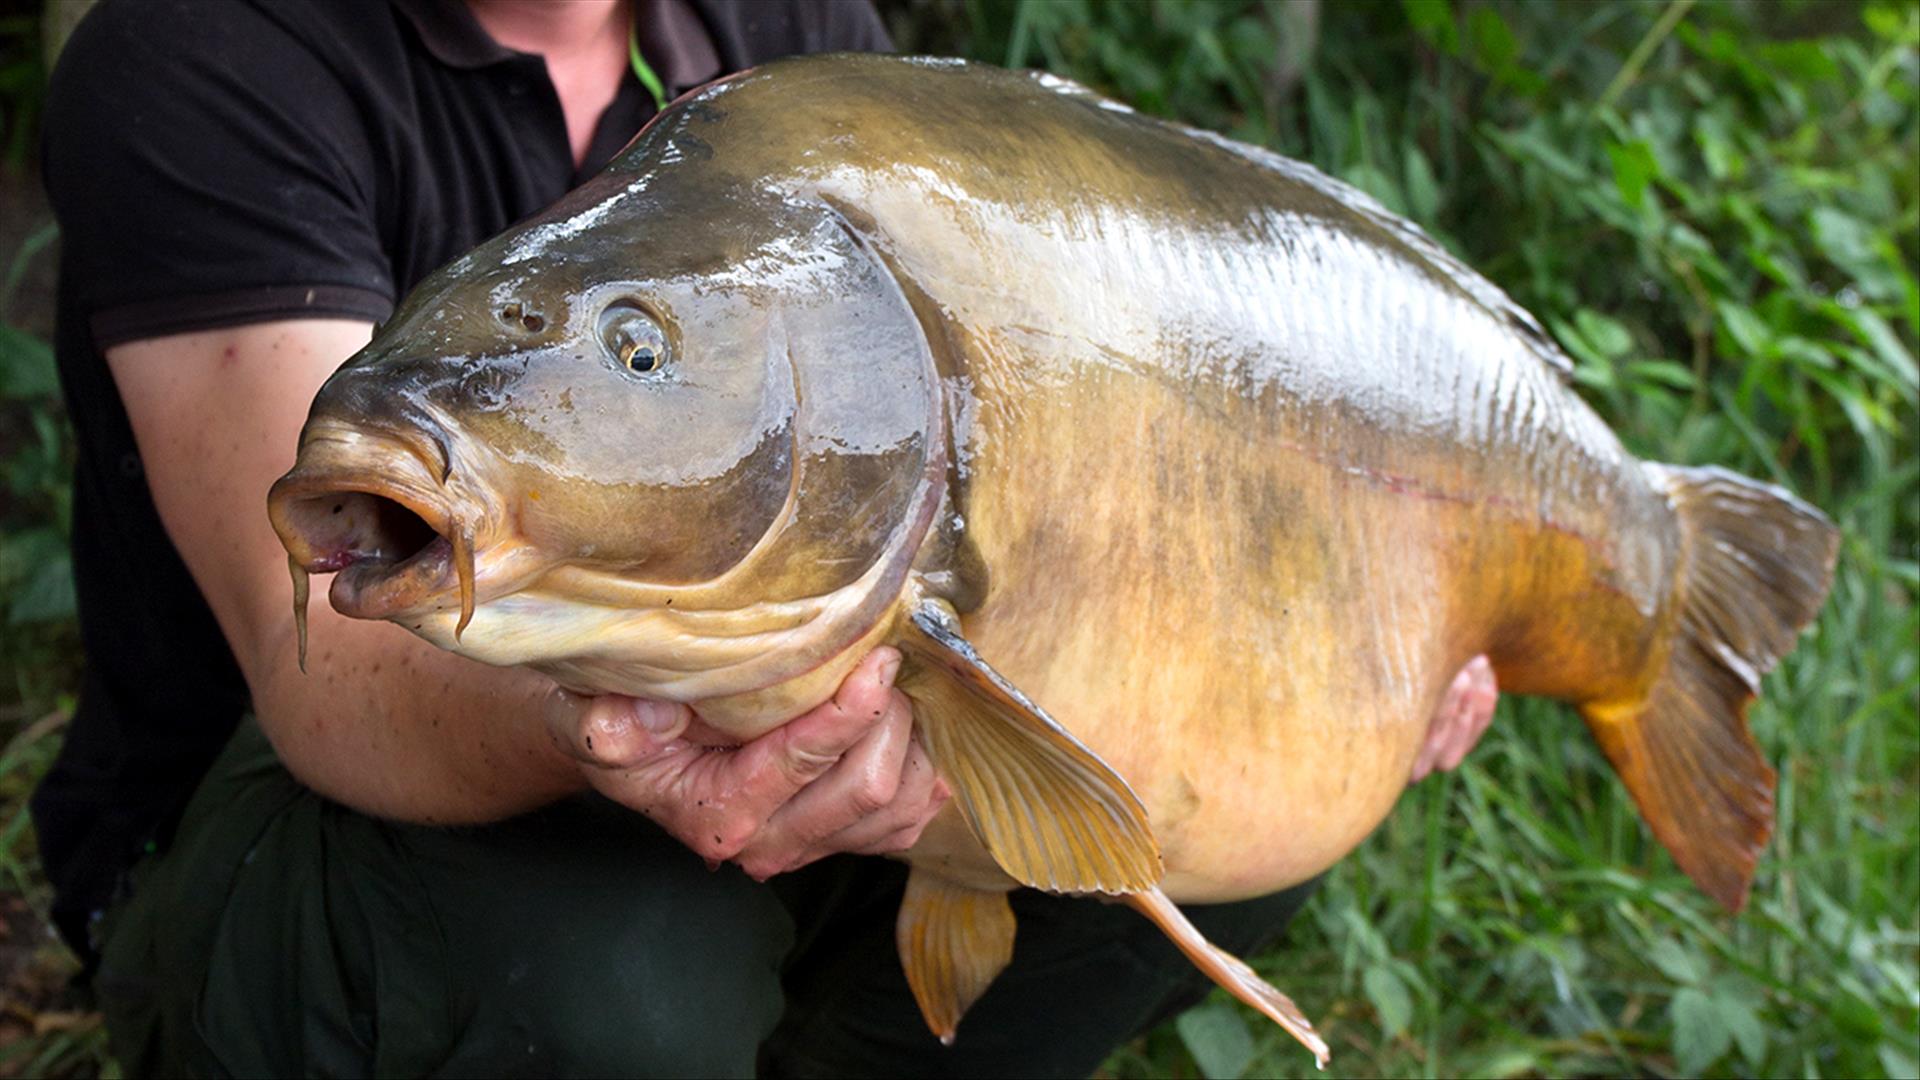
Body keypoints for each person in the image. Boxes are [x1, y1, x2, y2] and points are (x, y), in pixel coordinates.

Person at [31, 0, 1499, 1074]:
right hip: (275, 852)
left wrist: (1374, 640)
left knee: (1210, 801)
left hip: (734, 685)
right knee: (620, 981)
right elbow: (331, 683)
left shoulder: (790, 40)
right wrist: (654, 723)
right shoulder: (200, 56)